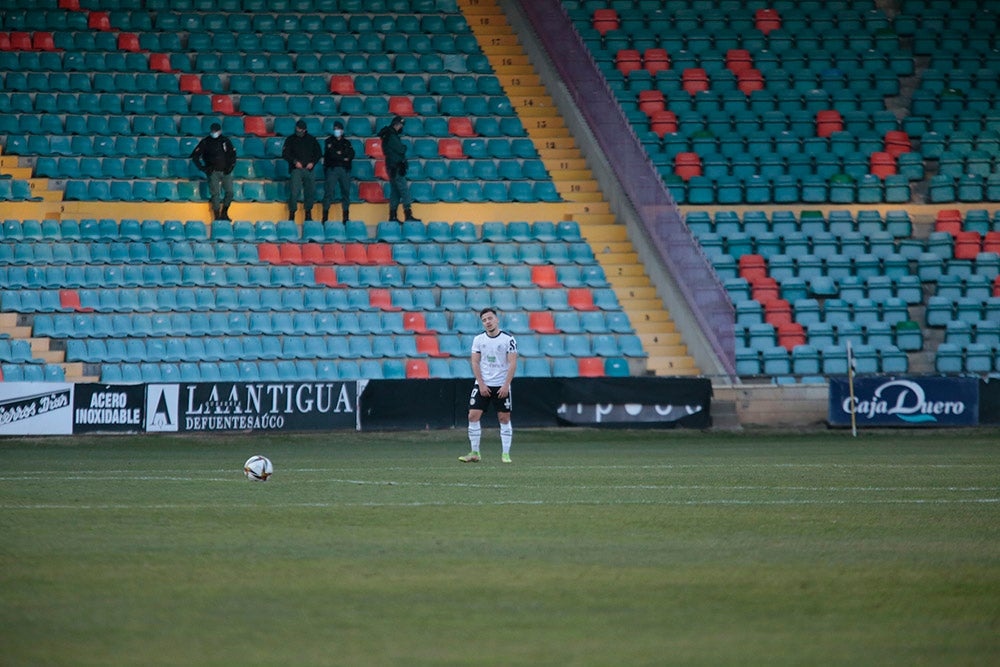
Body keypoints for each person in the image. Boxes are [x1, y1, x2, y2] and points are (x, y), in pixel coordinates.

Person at [459, 307, 518, 464]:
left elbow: (512, 363)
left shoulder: (508, 339)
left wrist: (506, 385)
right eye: (484, 320)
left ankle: (505, 454)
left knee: (504, 418)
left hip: (501, 385)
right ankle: (475, 452)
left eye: (490, 318)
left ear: (497, 319)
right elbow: (475, 362)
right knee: (472, 415)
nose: (487, 322)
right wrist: (481, 383)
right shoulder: (478, 339)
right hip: (483, 384)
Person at [377, 115, 421, 222]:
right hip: (396, 166)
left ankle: (393, 216)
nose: (401, 127)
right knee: (404, 190)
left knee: (395, 192)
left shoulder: (387, 135)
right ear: (396, 124)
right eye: (400, 125)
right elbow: (401, 149)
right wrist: (404, 147)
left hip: (391, 166)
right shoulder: (391, 135)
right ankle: (408, 214)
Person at [190, 122, 236, 221]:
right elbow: (195, 156)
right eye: (213, 131)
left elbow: (232, 155)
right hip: (213, 171)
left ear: (220, 131)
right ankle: (217, 215)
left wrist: (231, 166)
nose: (214, 133)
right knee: (215, 194)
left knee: (230, 192)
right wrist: (203, 168)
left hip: (225, 171)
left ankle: (224, 212)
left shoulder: (225, 141)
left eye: (216, 131)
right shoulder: (206, 142)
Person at [281, 119, 322, 221]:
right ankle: (292, 214)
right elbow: (285, 154)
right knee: (294, 192)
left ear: (304, 130)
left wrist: (312, 162)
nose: (298, 130)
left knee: (310, 192)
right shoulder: (290, 139)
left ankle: (308, 214)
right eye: (297, 128)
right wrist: (295, 162)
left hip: (309, 170)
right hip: (296, 170)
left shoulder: (312, 140)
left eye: (300, 129)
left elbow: (318, 153)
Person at [322, 120, 355, 223]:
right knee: (329, 192)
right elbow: (331, 155)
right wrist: (342, 156)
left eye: (338, 129)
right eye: (335, 129)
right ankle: (325, 217)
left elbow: (351, 155)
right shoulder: (329, 141)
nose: (336, 131)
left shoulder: (346, 142)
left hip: (344, 170)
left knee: (346, 192)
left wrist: (339, 155)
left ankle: (345, 217)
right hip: (332, 169)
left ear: (342, 130)